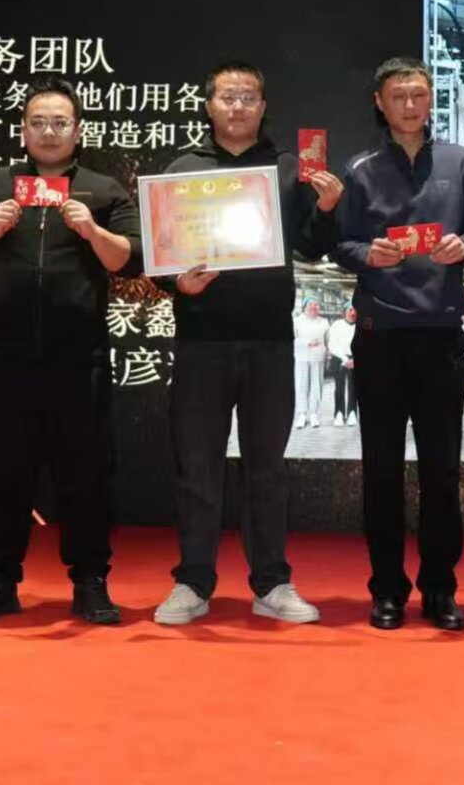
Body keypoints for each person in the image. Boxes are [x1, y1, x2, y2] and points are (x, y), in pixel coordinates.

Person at [0, 76, 142, 626]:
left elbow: (131, 258)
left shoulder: (102, 190)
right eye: (38, 122)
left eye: (59, 122)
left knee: (86, 475)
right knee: (2, 473)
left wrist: (92, 231)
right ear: (23, 130)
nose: (49, 132)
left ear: (77, 130)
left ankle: (90, 582)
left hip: (79, 362)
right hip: (6, 361)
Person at [151, 61, 342, 625]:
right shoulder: (183, 171)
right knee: (197, 465)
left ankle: (272, 582)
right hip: (201, 340)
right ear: (208, 105)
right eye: (227, 96)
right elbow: (161, 254)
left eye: (248, 97)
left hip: (269, 339)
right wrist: (176, 282)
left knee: (268, 467)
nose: (237, 106)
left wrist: (326, 208)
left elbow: (312, 246)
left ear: (263, 106)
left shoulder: (288, 169)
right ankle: (193, 582)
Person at [334, 56, 464, 631]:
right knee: (380, 472)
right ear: (379, 102)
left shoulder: (461, 162)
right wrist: (366, 254)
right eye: (397, 95)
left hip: (441, 336)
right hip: (379, 337)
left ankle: (440, 589)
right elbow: (340, 244)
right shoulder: (359, 168)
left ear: (430, 99)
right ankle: (387, 590)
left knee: (441, 473)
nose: (408, 105)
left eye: (418, 94)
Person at [292, 299, 331, 429]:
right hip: (301, 357)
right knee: (301, 385)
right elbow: (292, 339)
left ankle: (314, 413)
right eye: (310, 304)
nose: (314, 307)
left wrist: (328, 354)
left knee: (316, 385)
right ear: (304, 306)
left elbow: (328, 340)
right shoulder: (297, 321)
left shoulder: (324, 322)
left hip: (318, 357)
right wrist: (306, 343)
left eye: (316, 305)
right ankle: (302, 414)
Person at [328, 306, 359, 426]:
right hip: (339, 358)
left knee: (353, 386)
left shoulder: (360, 326)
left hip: (355, 359)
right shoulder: (337, 325)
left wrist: (354, 359)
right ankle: (339, 413)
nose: (352, 312)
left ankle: (352, 412)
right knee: (339, 387)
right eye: (350, 310)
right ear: (344, 312)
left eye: (354, 310)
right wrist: (345, 359)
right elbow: (332, 344)